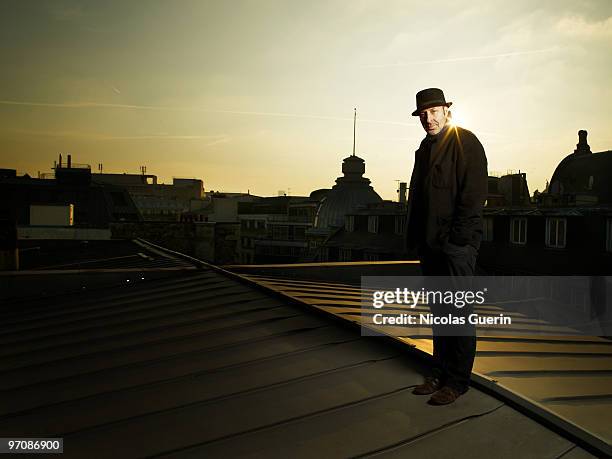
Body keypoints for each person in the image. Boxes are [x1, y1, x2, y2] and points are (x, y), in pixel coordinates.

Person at [404, 88, 488, 405]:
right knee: (440, 313)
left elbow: (473, 195)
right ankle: (439, 373)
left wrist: (458, 241)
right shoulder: (423, 149)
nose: (428, 118)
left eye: (434, 112)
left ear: (446, 110)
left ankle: (457, 382)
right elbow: (418, 199)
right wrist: (416, 241)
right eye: (423, 114)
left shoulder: (465, 141)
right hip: (430, 247)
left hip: (456, 249)